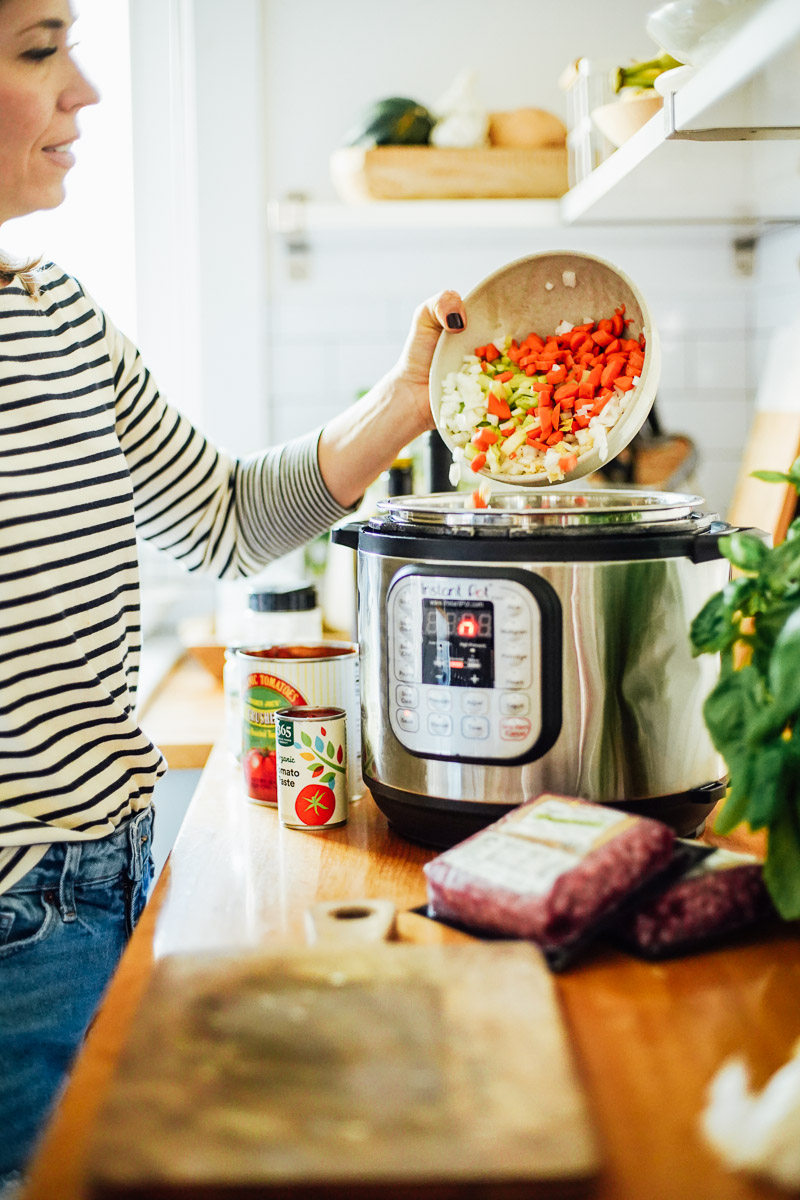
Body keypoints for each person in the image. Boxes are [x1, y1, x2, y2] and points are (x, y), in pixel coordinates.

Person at [0, 0, 467, 1190]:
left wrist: (403, 399)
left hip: (111, 867)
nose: (85, 90)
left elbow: (221, 520)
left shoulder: (59, 315)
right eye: (39, 49)